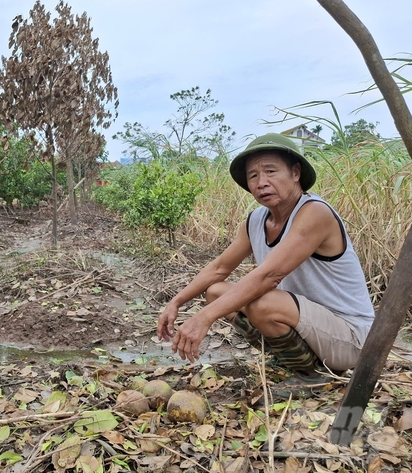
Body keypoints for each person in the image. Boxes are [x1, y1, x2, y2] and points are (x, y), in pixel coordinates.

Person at [156, 133, 375, 397]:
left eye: (270, 171)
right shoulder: (257, 221)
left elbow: (268, 276)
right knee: (215, 292)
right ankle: (291, 357)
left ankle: (311, 376)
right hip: (308, 326)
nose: (262, 183)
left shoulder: (314, 212)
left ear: (295, 173)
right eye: (253, 176)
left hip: (350, 338)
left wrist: (203, 318)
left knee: (262, 302)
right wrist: (176, 302)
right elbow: (219, 269)